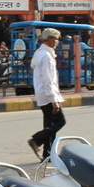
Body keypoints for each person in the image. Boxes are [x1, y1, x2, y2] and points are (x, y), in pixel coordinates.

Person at [27, 28, 66, 160]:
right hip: (48, 94)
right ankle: (36, 140)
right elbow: (48, 79)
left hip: (43, 93)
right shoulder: (46, 56)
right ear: (49, 39)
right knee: (60, 122)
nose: (58, 42)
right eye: (56, 39)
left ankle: (48, 153)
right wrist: (54, 100)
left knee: (50, 124)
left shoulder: (40, 52)